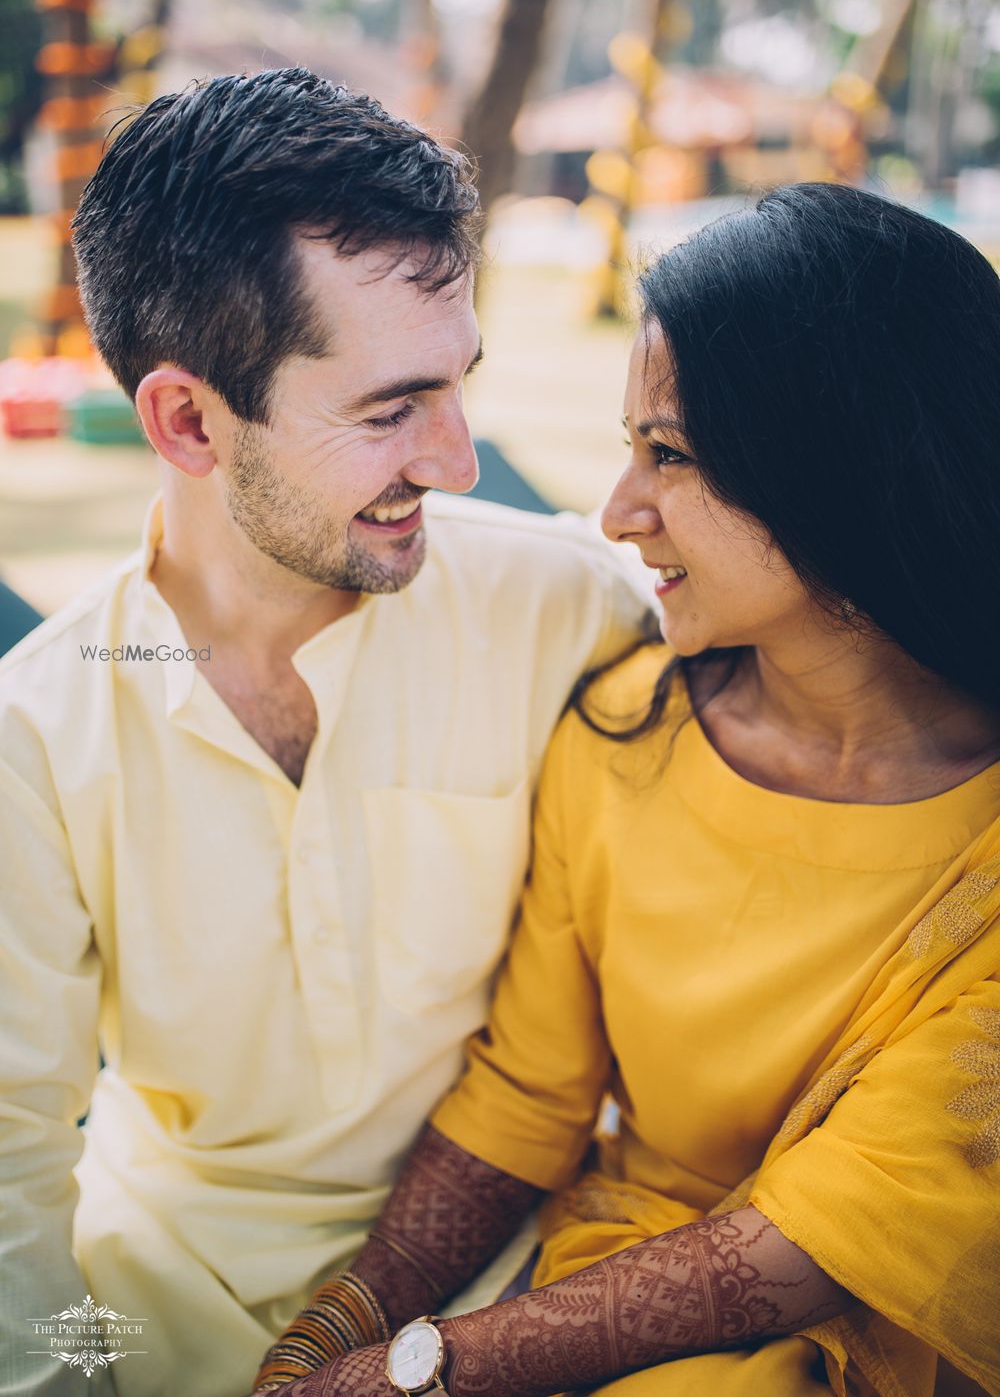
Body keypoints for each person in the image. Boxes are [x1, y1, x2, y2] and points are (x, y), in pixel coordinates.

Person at [249, 184, 1000, 1397]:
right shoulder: (620, 730)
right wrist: (328, 1335)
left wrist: (407, 1377)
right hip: (611, 1265)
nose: (617, 511)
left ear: (840, 474)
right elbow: (527, 1097)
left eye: (672, 455)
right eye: (625, 447)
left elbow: (809, 1248)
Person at [0, 69, 650, 1397]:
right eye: (389, 406)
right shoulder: (38, 729)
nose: (461, 458)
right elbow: (9, 1153)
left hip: (534, 1290)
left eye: (460, 382)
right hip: (163, 1313)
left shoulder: (576, 607)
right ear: (187, 419)